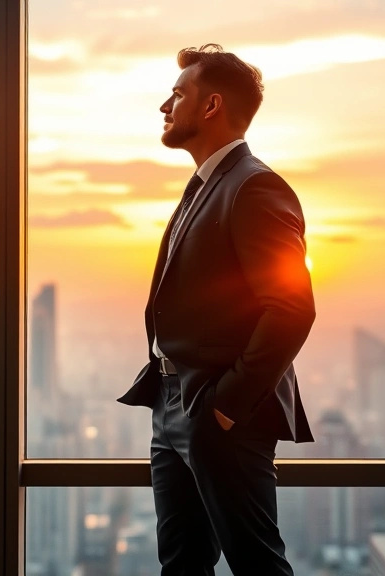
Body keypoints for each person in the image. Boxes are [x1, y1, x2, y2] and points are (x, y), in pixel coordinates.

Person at [116, 44, 317, 575]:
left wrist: (224, 409)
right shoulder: (205, 187)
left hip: (219, 411)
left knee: (257, 565)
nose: (165, 105)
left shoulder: (254, 187)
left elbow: (292, 308)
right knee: (182, 566)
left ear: (211, 106)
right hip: (172, 404)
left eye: (177, 94)